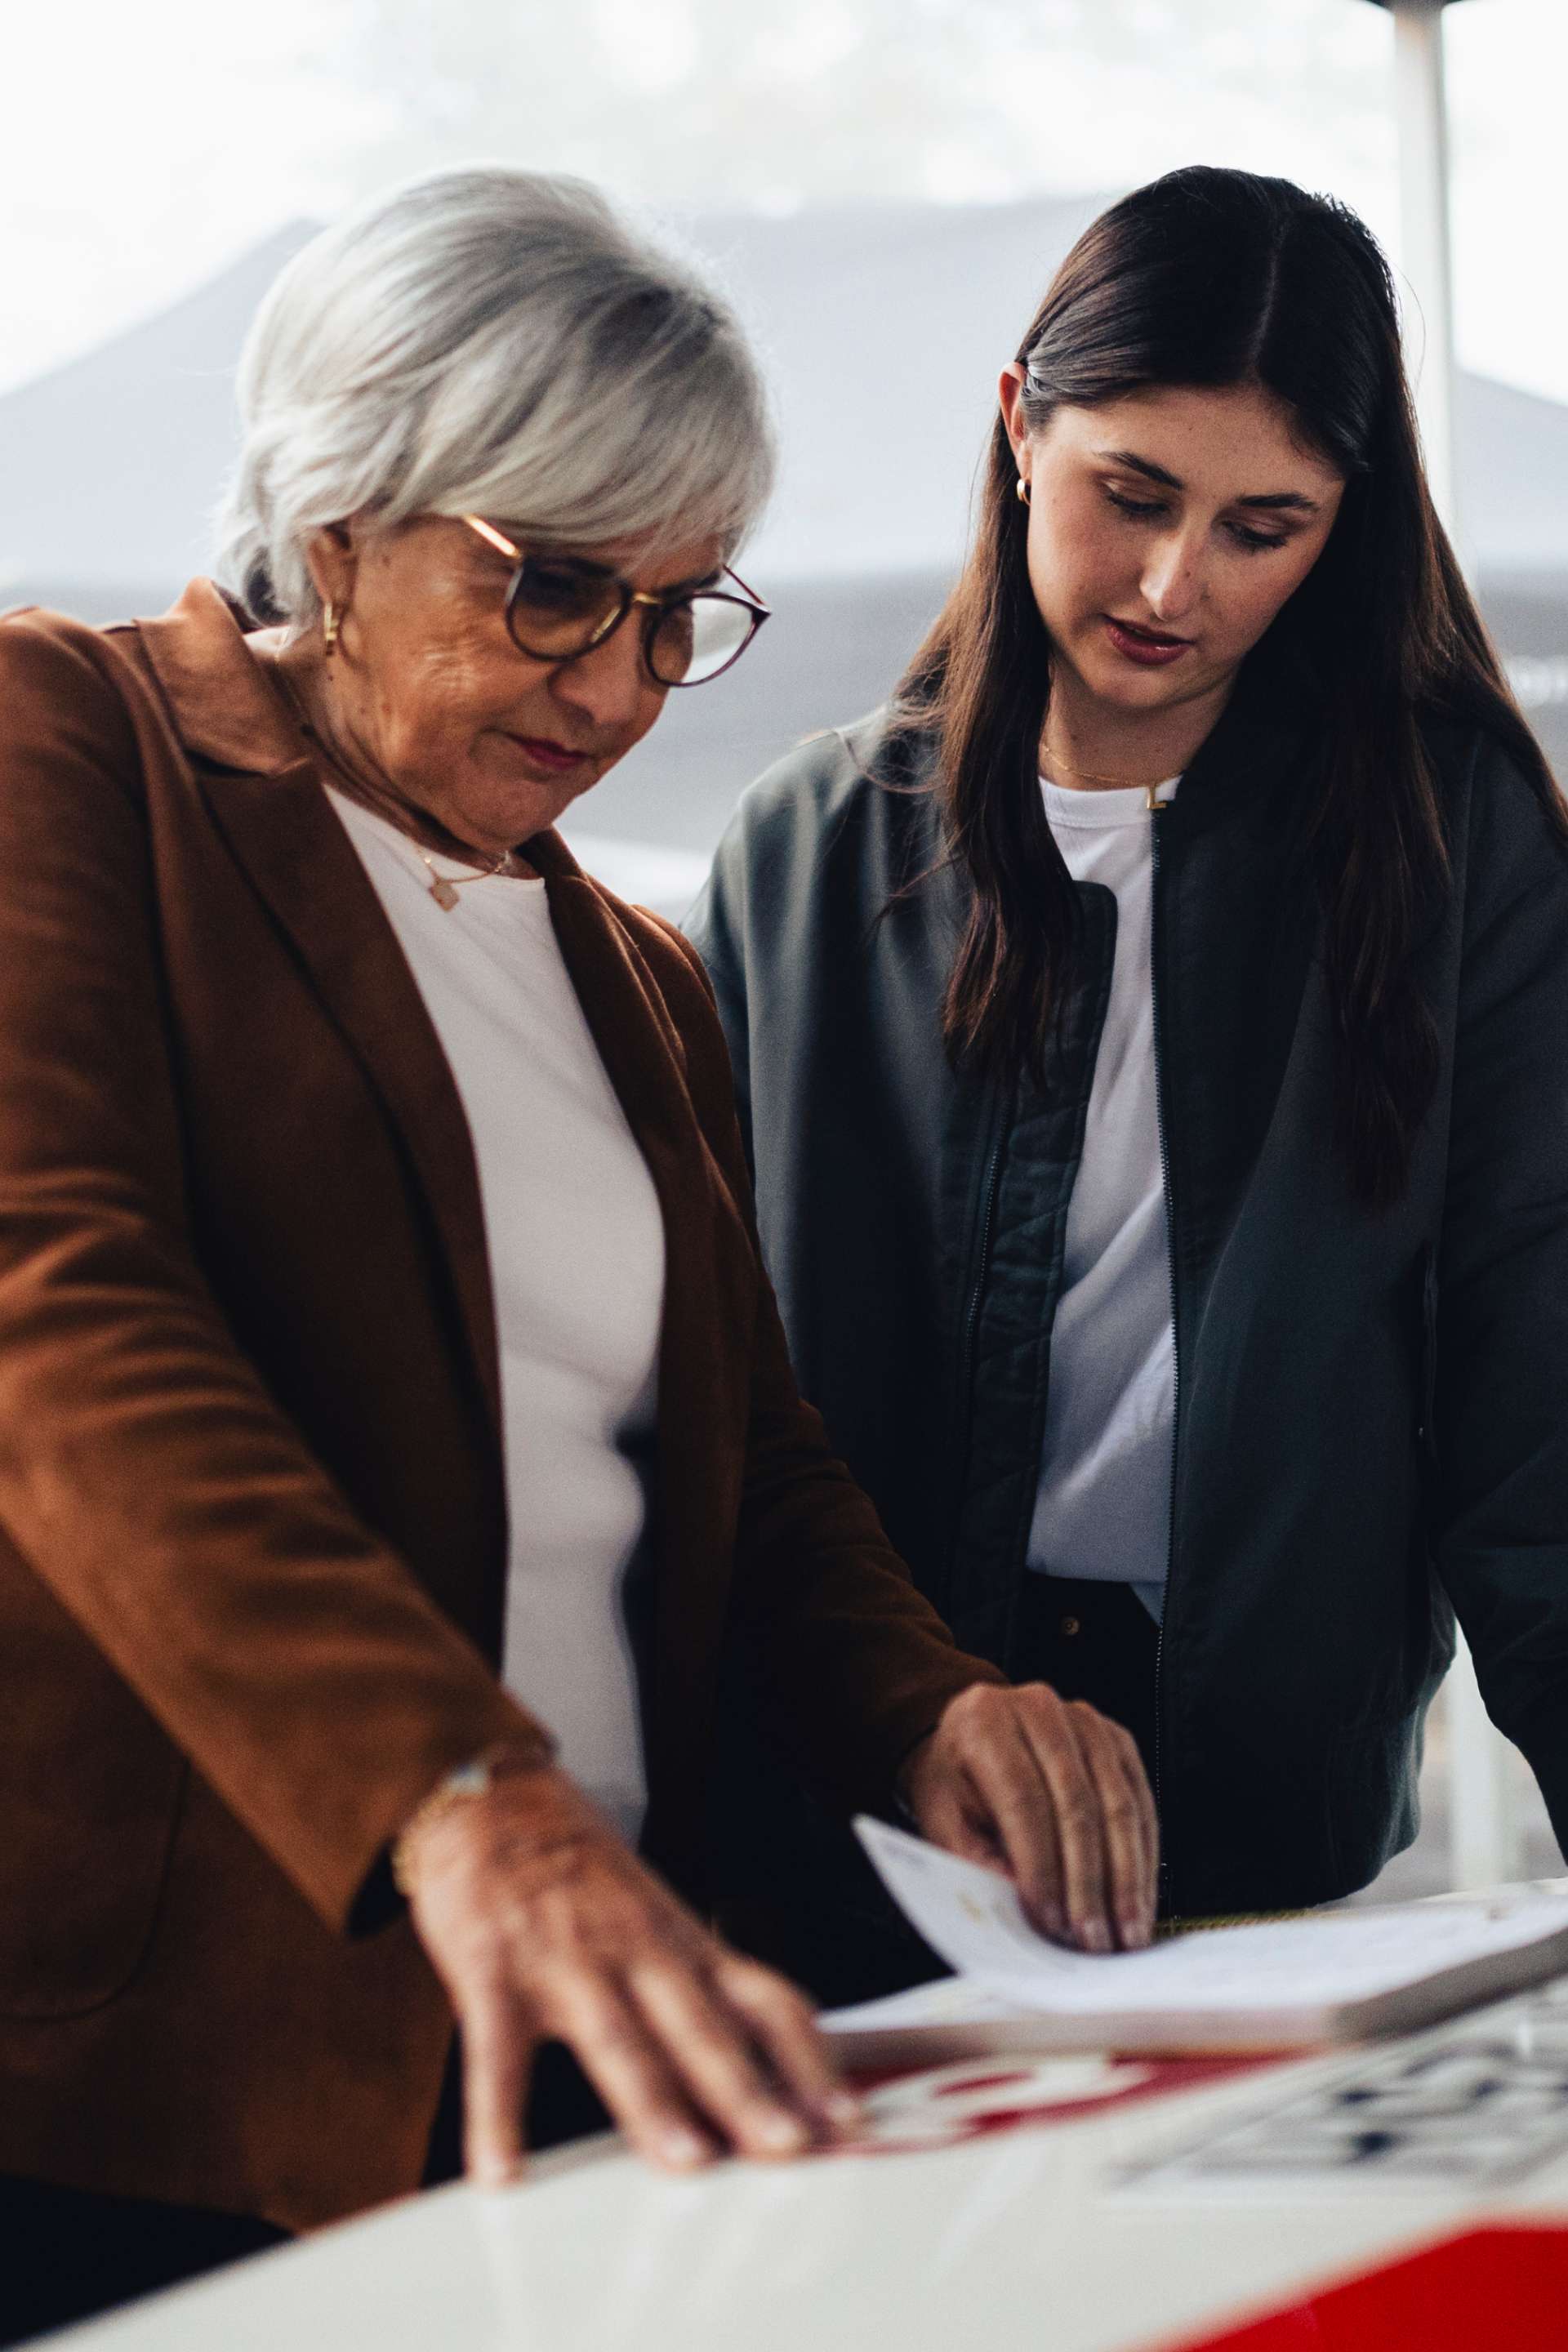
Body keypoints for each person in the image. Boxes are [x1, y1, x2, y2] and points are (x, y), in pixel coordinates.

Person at [0, 168, 1157, 2342]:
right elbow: (54, 1309)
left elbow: (750, 1450)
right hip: (160, 2077)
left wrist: (929, 1704)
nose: (621, 684)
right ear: (335, 524)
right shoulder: (65, 747)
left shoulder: (636, 970)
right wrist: (461, 1800)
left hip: (588, 2014)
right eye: (552, 590)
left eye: (679, 609)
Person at [688, 166, 1568, 1974]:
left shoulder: (1446, 832)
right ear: (1020, 426)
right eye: (1132, 495)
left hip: (1252, 1796)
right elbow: (711, 1395)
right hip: (855, 1791)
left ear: (1350, 522)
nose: (1177, 584)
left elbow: (1534, 1392)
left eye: (1268, 526)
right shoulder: (805, 853)